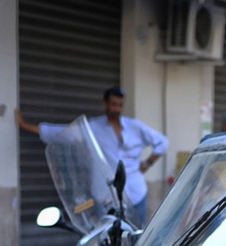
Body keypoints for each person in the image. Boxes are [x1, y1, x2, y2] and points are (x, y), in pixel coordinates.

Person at [16, 86, 167, 225]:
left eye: (120, 105)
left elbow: (162, 142)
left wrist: (147, 164)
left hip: (136, 193)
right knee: (109, 240)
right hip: (107, 196)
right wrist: (24, 125)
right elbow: (61, 133)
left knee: (138, 238)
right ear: (105, 104)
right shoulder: (93, 128)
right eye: (113, 104)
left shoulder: (134, 126)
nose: (117, 109)